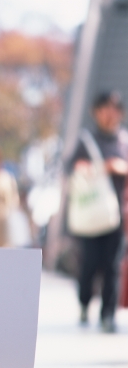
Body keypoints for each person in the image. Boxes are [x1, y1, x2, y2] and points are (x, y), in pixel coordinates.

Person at [68, 91, 128, 333]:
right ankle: (84, 303)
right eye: (104, 108)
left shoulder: (124, 141)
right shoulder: (87, 140)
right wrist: (105, 167)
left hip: (117, 215)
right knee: (89, 265)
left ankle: (108, 315)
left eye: (114, 108)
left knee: (113, 265)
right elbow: (73, 167)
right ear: (96, 112)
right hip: (91, 214)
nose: (109, 113)